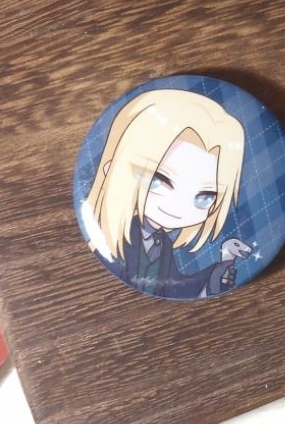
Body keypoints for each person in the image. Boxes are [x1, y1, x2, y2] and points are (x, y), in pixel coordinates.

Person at [81, 88, 250, 299]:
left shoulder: (162, 242)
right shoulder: (107, 238)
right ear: (111, 169)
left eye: (204, 197)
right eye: (157, 181)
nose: (178, 206)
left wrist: (219, 270)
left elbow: (172, 286)